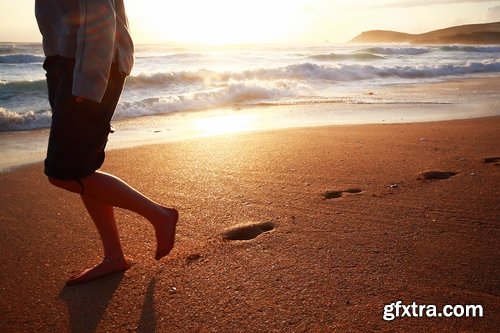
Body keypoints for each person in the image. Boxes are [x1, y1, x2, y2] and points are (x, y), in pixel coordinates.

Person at [35, 0, 178, 285]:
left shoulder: (88, 69)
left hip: (87, 64)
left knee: (63, 173)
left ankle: (160, 216)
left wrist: (89, 81)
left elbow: (99, 15)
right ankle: (114, 257)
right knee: (82, 168)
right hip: (66, 61)